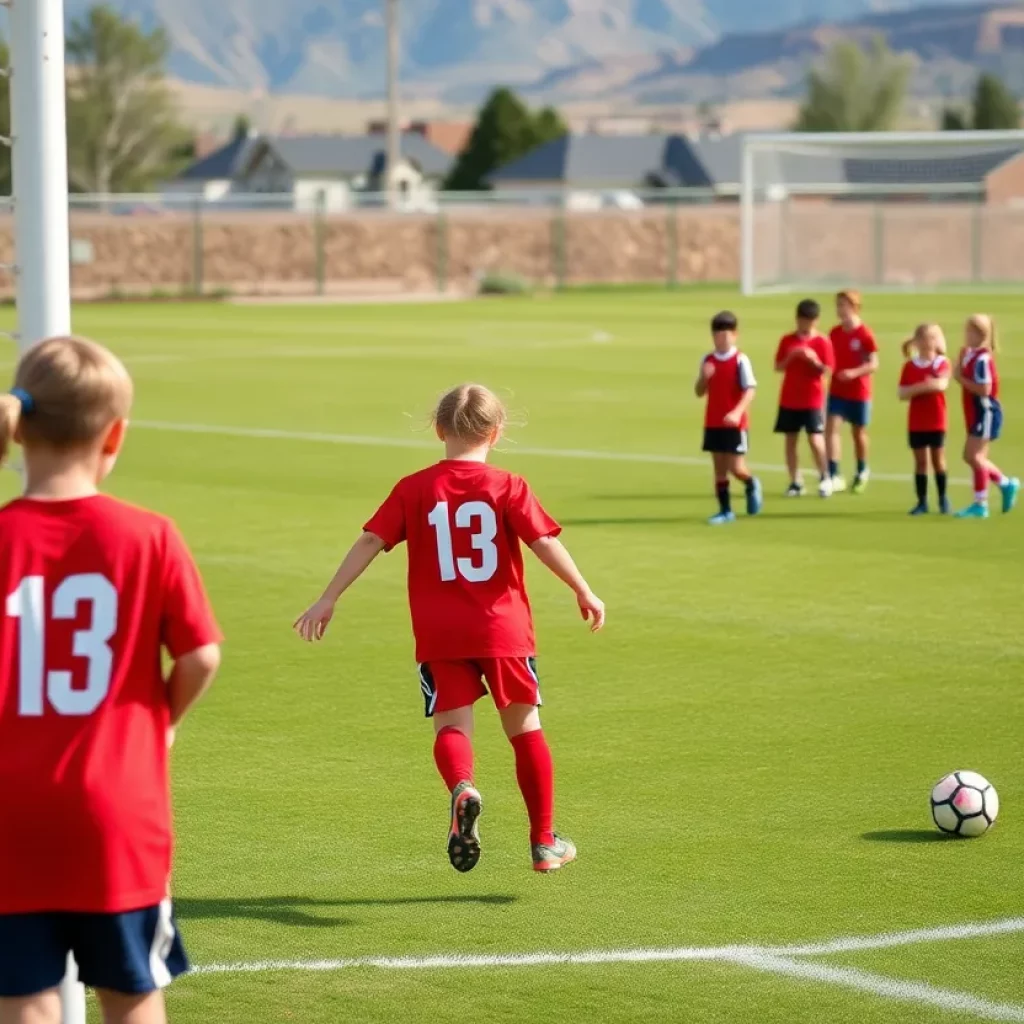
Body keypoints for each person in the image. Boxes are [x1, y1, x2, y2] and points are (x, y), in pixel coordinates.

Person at [0, 337, 222, 1024]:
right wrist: (166, 720)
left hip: (12, 810)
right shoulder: (148, 535)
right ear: (115, 434)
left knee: (26, 996)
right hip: (116, 812)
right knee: (130, 991)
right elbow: (200, 656)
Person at [294, 384, 604, 873]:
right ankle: (544, 841)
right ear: (496, 433)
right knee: (525, 730)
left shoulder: (414, 487)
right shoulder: (509, 485)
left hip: (440, 632)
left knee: (452, 726)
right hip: (503, 630)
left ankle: (463, 786)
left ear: (439, 429)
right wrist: (582, 588)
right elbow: (543, 542)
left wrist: (328, 598)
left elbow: (372, 539)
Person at [695, 310, 763, 526]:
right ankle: (725, 511)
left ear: (735, 335)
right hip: (713, 422)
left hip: (735, 425)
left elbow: (750, 390)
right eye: (718, 334)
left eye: (727, 334)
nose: (722, 338)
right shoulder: (708, 360)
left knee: (736, 468)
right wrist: (703, 378)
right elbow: (699, 392)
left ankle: (751, 483)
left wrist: (736, 412)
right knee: (719, 470)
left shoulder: (740, 360)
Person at [952, 315, 1019, 519]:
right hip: (976, 413)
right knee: (973, 456)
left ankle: (981, 504)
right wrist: (960, 361)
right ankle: (1006, 484)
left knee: (975, 456)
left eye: (969, 332)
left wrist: (960, 379)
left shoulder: (982, 359)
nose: (966, 335)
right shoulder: (972, 354)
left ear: (979, 334)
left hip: (986, 412)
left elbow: (984, 389)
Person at [774, 298, 836, 498]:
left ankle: (825, 477)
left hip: (813, 398)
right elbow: (778, 366)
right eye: (803, 320)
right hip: (790, 398)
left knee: (815, 439)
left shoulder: (822, 341)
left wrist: (813, 360)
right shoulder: (787, 340)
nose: (806, 325)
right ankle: (795, 481)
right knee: (790, 441)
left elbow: (828, 370)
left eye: (810, 321)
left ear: (816, 320)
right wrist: (793, 356)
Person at [826, 290, 879, 494]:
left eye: (844, 305)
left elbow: (874, 363)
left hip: (859, 392)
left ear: (855, 307)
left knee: (858, 433)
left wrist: (854, 373)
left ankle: (862, 470)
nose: (840, 310)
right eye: (838, 305)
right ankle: (834, 473)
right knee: (832, 428)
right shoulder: (834, 333)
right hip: (837, 390)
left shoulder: (864, 334)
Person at [898, 324, 952, 516]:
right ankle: (922, 502)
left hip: (936, 419)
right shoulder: (910, 366)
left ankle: (943, 498)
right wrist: (926, 386)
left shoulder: (941, 362)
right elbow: (901, 393)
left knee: (938, 460)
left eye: (933, 338)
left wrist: (918, 388)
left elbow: (941, 384)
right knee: (920, 462)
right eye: (926, 338)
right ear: (918, 342)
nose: (930, 342)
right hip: (917, 420)